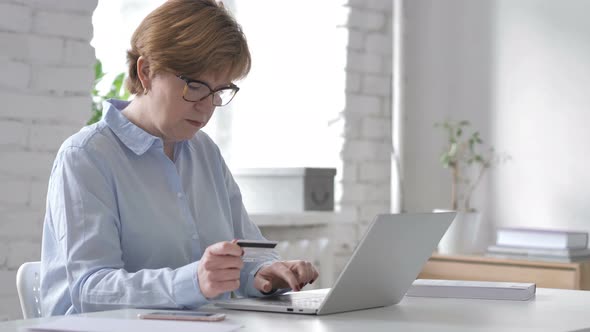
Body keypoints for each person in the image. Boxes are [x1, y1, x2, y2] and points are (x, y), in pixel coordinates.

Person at [40, 0, 318, 316]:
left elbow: (247, 255)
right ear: (146, 71)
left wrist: (265, 274)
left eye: (219, 90)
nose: (207, 106)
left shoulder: (205, 152)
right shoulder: (86, 157)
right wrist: (193, 281)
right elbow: (90, 290)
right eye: (196, 86)